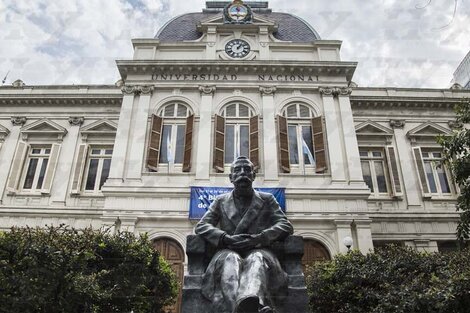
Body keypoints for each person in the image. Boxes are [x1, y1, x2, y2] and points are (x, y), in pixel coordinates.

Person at [195, 156, 294, 313]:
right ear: (231, 177)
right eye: (237, 170)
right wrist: (224, 238)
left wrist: (259, 238)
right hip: (228, 250)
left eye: (247, 170)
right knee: (230, 259)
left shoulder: (267, 199)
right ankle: (252, 308)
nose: (243, 173)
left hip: (259, 249)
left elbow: (285, 225)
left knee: (256, 259)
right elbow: (202, 225)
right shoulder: (221, 201)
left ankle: (246, 305)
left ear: (254, 176)